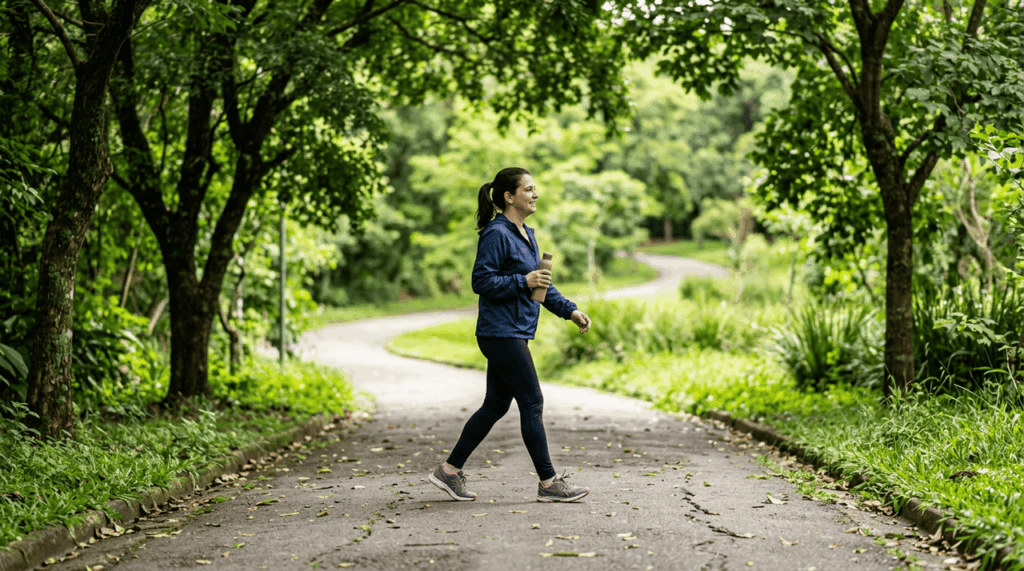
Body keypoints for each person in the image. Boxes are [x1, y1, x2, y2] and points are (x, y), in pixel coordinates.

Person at [429, 167, 593, 503]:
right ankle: (548, 483)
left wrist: (570, 310)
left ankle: (448, 471)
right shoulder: (497, 233)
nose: (535, 194)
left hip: (512, 330)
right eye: (529, 189)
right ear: (509, 196)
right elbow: (482, 282)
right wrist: (524, 281)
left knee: (495, 405)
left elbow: (540, 285)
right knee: (532, 402)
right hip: (500, 332)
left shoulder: (525, 234)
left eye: (535, 189)